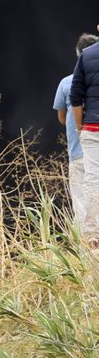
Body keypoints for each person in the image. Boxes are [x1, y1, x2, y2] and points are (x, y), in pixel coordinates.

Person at [57, 34, 99, 231]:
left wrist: (79, 126)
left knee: (82, 203)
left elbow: (62, 116)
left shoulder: (66, 83)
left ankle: (90, 244)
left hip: (79, 149)